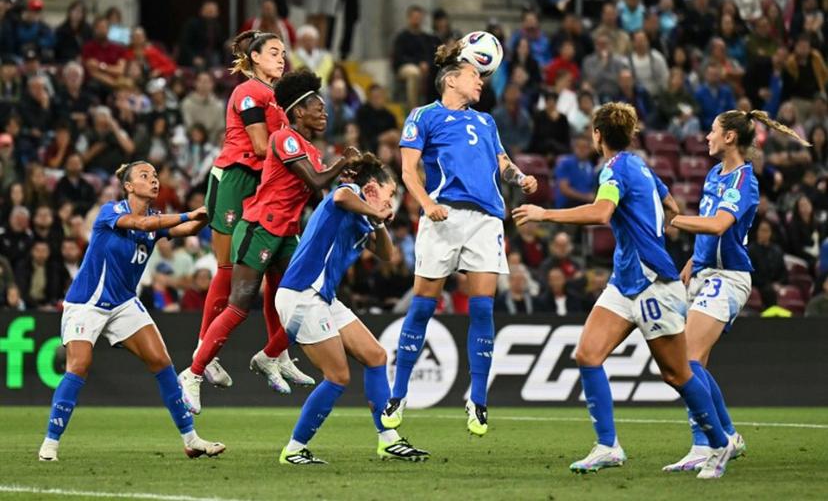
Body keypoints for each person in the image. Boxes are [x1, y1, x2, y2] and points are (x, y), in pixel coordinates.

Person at [513, 102, 736, 479]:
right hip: (625, 280)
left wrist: (544, 213)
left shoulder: (615, 168)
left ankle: (719, 444)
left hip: (653, 283)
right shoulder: (642, 167)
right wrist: (653, 229)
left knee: (676, 373)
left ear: (597, 135)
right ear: (630, 134)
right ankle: (608, 446)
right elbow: (669, 203)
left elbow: (601, 213)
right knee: (587, 354)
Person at [381, 40, 538, 437]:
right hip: (443, 216)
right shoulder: (423, 117)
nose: (481, 81)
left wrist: (521, 178)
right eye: (474, 75)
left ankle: (479, 399)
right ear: (451, 80)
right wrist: (426, 204)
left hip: (486, 219)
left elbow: (503, 164)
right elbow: (408, 171)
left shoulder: (487, 123)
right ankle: (398, 394)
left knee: (483, 309)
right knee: (421, 308)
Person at [179, 70, 360, 413]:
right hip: (260, 227)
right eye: (316, 107)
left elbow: (320, 188)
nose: (324, 113)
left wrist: (346, 176)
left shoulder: (309, 149)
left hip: (285, 234)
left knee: (298, 299)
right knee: (239, 305)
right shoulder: (284, 139)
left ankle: (270, 355)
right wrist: (342, 164)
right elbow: (316, 178)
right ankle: (193, 373)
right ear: (297, 112)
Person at [37, 161, 224, 462]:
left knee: (161, 361)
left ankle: (191, 440)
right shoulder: (110, 212)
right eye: (144, 176)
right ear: (127, 186)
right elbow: (142, 225)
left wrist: (210, 211)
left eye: (154, 175)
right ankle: (50, 444)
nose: (153, 180)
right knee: (80, 365)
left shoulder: (155, 219)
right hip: (88, 302)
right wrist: (191, 212)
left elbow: (187, 227)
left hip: (123, 302)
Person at [665, 110, 800, 471]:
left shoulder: (744, 181)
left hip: (729, 277)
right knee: (695, 364)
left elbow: (720, 224)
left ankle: (723, 440)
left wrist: (673, 220)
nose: (706, 137)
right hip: (703, 274)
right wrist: (688, 269)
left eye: (712, 131)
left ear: (729, 138)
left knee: (686, 360)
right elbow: (707, 234)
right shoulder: (713, 174)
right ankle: (703, 444)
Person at [276, 153, 429, 464]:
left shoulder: (364, 216)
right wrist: (373, 209)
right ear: (373, 186)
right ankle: (294, 448)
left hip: (325, 298)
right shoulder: (350, 195)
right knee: (337, 376)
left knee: (376, 356)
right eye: (391, 192)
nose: (393, 200)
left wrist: (377, 219)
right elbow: (342, 194)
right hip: (303, 294)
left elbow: (387, 255)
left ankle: (388, 440)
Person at [191, 30, 291, 390]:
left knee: (270, 268)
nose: (282, 58)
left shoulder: (277, 97)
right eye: (274, 53)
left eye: (283, 53)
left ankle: (278, 353)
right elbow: (263, 147)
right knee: (229, 267)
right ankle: (205, 350)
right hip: (234, 178)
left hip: (261, 185)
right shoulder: (249, 92)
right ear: (255, 59)